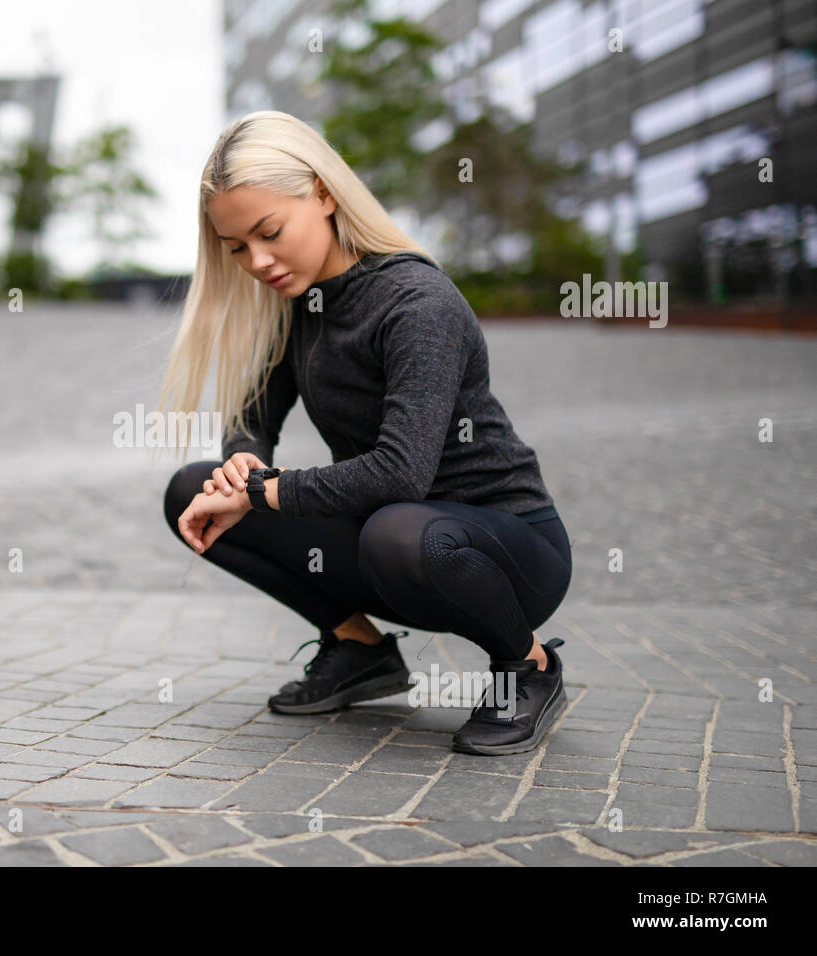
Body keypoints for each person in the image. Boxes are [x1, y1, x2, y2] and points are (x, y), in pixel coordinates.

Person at [157, 111, 573, 756]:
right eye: (237, 247)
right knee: (191, 489)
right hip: (393, 542)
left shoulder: (416, 302)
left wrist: (263, 492)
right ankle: (359, 649)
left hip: (502, 552)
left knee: (398, 525)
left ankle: (528, 666)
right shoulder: (299, 305)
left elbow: (399, 472)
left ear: (323, 193)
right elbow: (252, 419)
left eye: (269, 232)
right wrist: (241, 465)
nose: (257, 261)